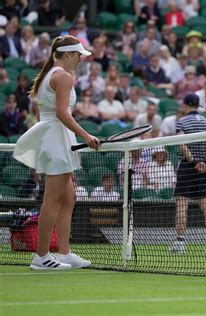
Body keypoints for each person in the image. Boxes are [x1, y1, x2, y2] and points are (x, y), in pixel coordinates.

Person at [12, 35, 99, 270]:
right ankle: (41, 256)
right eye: (78, 54)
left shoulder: (50, 75)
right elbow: (62, 112)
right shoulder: (62, 76)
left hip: (56, 138)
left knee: (68, 198)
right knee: (51, 200)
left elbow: (49, 114)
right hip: (57, 139)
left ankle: (64, 252)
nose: (81, 59)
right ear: (68, 54)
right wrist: (86, 136)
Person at [171, 93, 206, 254]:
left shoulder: (181, 122)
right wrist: (204, 162)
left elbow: (181, 144)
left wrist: (193, 161)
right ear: (198, 106)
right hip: (203, 168)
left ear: (185, 105)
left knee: (182, 206)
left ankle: (180, 244)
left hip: (187, 167)